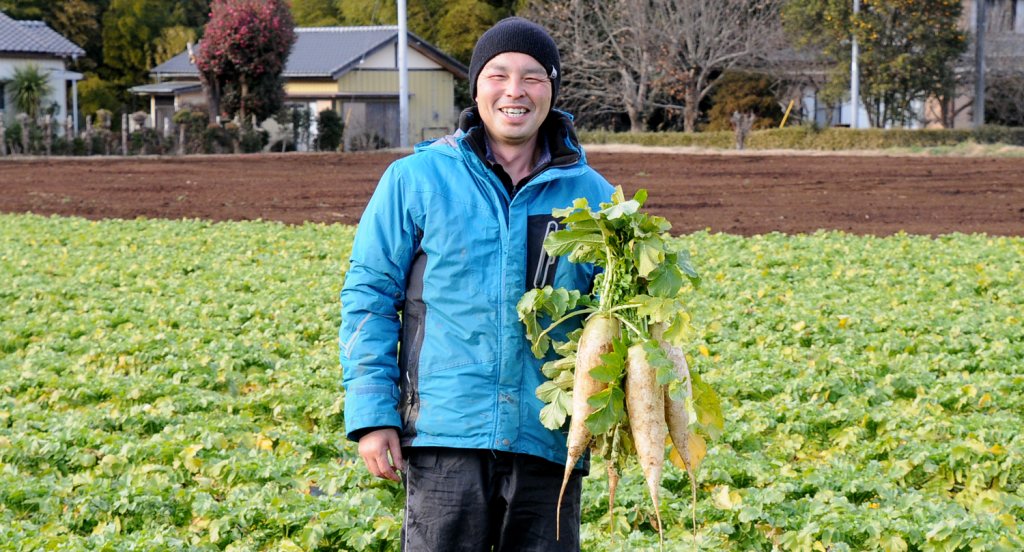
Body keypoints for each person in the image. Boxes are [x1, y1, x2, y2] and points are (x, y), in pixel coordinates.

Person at [339, 16, 614, 551]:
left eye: (533, 77)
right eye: (498, 74)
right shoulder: (416, 180)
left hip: (548, 438)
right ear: (476, 88)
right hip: (444, 435)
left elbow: (615, 318)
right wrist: (373, 416)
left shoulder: (596, 196)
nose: (515, 91)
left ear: (552, 90)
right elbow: (369, 299)